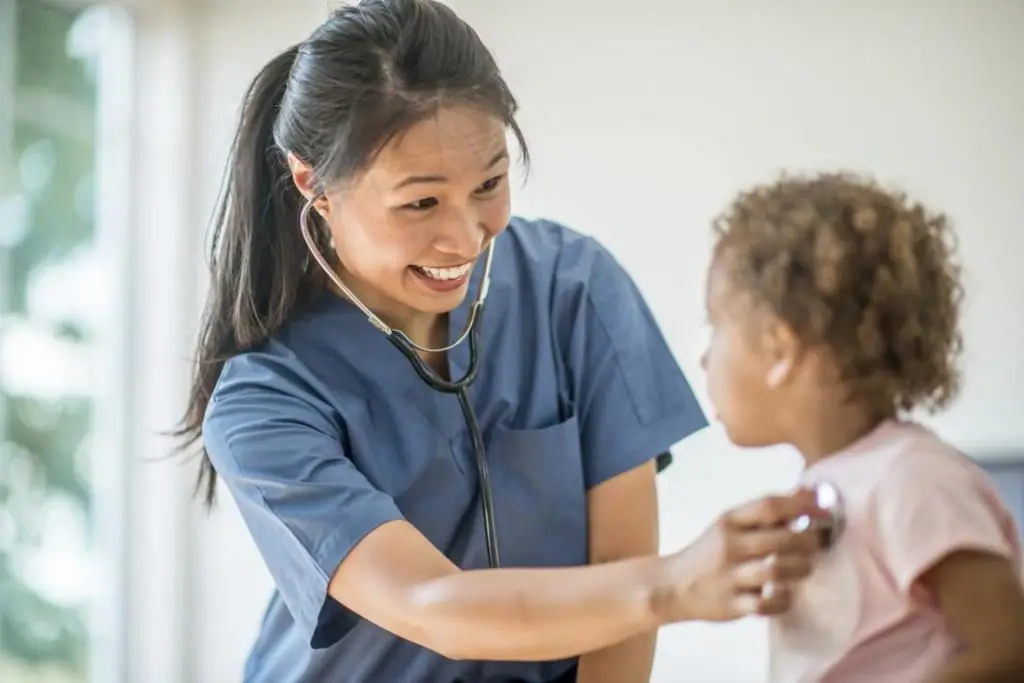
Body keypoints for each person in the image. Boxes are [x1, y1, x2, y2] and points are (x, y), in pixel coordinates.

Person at [176, 1, 825, 681]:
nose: (465, 236)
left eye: (489, 183)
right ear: (314, 183)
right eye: (420, 203)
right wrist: (681, 583)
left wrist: (667, 584)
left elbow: (620, 578)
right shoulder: (263, 401)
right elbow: (433, 605)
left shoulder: (573, 288)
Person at [701, 172, 1024, 682]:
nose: (704, 358)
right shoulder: (837, 484)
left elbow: (1008, 649)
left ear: (780, 349)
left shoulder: (915, 480)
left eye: (715, 327)